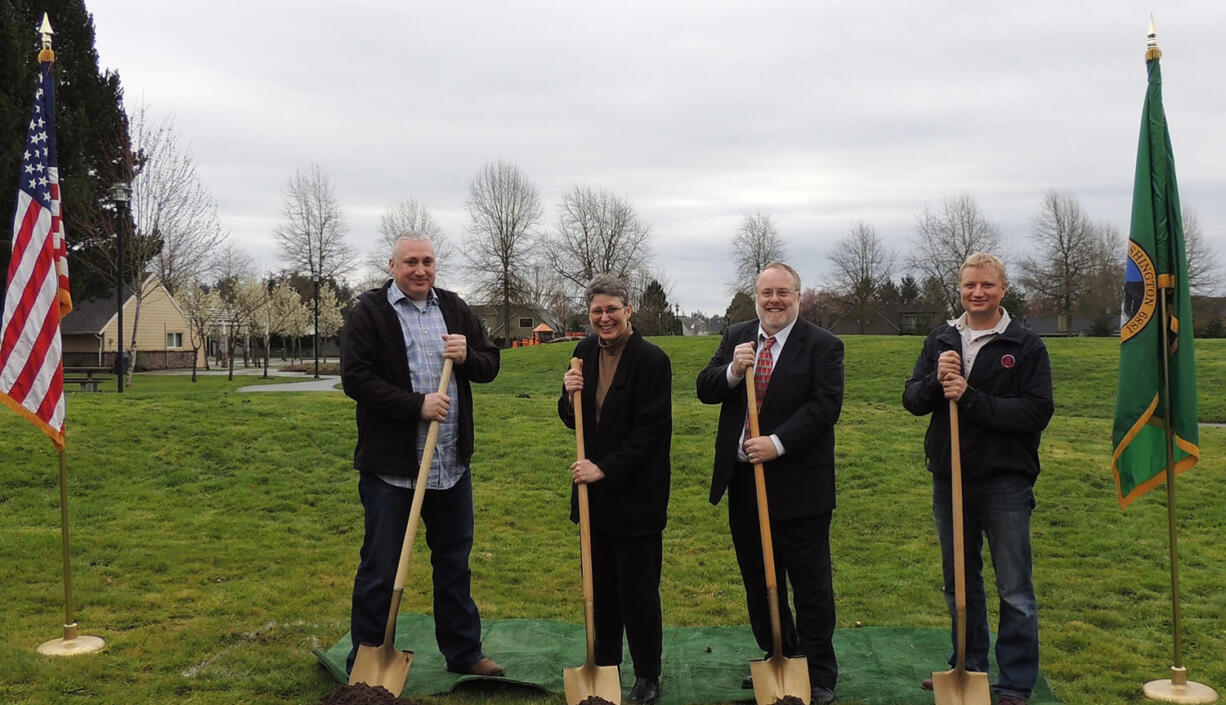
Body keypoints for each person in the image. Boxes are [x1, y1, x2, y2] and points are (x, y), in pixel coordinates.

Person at [340, 233, 504, 677]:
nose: (420, 270)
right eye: (411, 261)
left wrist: (469, 355)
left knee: (454, 564)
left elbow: (490, 364)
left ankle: (465, 653)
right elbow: (356, 379)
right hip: (393, 470)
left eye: (428, 261)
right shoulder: (369, 313)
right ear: (392, 266)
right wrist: (417, 405)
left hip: (450, 466)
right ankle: (369, 657)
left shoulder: (453, 307)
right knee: (380, 566)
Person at [903, 253, 1053, 705]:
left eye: (987, 285)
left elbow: (1035, 412)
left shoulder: (1025, 345)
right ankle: (968, 666)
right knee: (960, 582)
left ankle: (1014, 683)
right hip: (949, 480)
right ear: (960, 289)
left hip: (1004, 481)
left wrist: (970, 396)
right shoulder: (942, 339)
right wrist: (937, 379)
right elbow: (912, 400)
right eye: (970, 286)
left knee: (1015, 588)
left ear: (1002, 289)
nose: (977, 293)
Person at [696, 262, 843, 705]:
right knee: (759, 580)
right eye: (766, 293)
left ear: (798, 296)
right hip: (744, 482)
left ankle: (817, 672)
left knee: (809, 581)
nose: (774, 301)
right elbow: (705, 388)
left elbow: (825, 407)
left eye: (783, 292)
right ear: (756, 296)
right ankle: (777, 652)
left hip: (799, 484)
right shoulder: (737, 336)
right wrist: (733, 373)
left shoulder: (823, 345)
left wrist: (777, 443)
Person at [558, 273, 672, 705]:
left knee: (638, 590)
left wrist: (602, 468)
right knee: (600, 587)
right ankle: (604, 667)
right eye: (596, 312)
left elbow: (652, 433)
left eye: (611, 309)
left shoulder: (652, 361)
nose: (604, 318)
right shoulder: (582, 353)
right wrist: (568, 397)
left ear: (629, 310)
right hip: (594, 498)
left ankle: (647, 674)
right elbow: (575, 420)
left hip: (636, 494)